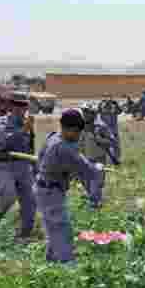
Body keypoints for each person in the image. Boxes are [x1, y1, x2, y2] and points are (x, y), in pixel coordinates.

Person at [35, 108, 105, 263]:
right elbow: (85, 169)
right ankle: (69, 267)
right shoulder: (64, 147)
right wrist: (97, 169)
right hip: (50, 192)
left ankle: (52, 262)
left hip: (44, 188)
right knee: (62, 230)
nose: (79, 136)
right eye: (77, 132)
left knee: (54, 229)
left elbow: (39, 158)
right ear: (69, 129)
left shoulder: (52, 137)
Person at [0, 92, 36, 243]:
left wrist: (34, 167)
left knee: (30, 202)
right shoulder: (2, 121)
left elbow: (30, 146)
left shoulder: (27, 123)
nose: (21, 109)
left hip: (23, 166)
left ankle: (23, 235)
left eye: (23, 105)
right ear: (11, 106)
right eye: (17, 105)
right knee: (8, 196)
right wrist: (23, 130)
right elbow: (5, 141)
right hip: (5, 165)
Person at [80, 104, 114, 208]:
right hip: (84, 159)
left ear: (93, 114)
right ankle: (94, 199)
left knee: (96, 183)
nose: (84, 114)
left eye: (87, 112)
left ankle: (95, 204)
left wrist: (98, 139)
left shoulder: (101, 126)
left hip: (98, 160)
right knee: (86, 183)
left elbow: (111, 141)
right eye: (83, 111)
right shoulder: (81, 126)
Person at [99, 97, 122, 163]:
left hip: (113, 132)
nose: (107, 105)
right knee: (110, 147)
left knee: (115, 147)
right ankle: (112, 160)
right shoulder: (104, 111)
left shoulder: (112, 111)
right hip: (108, 132)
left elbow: (120, 111)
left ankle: (115, 160)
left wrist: (116, 104)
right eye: (107, 104)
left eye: (109, 103)